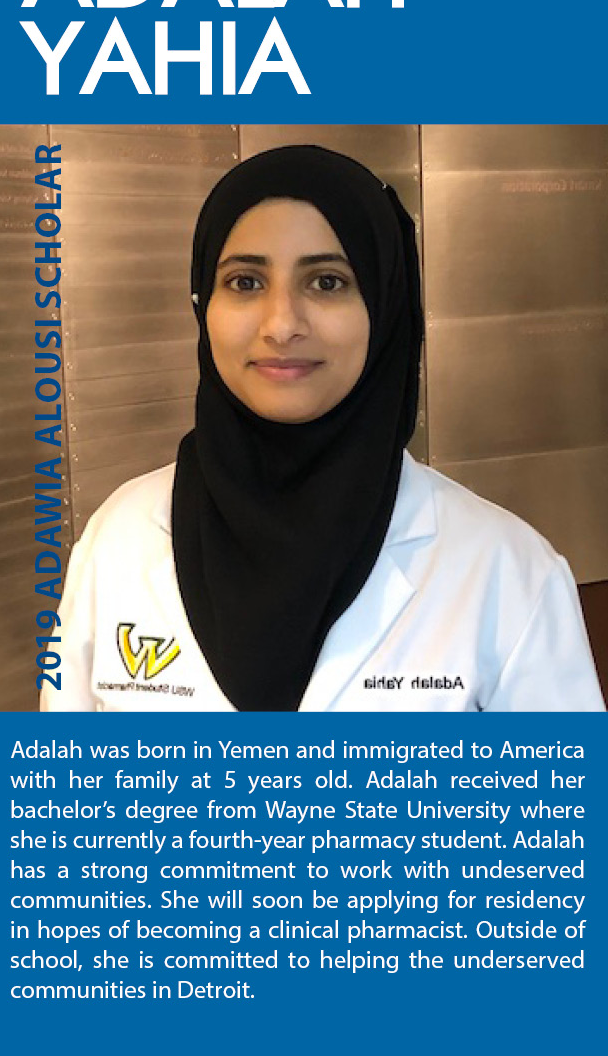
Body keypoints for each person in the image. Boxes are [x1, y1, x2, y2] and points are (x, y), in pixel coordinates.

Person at [40, 145, 605, 713]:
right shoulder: (118, 540)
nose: (282, 324)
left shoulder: (506, 572)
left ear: (384, 306)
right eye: (245, 282)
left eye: (328, 282)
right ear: (202, 303)